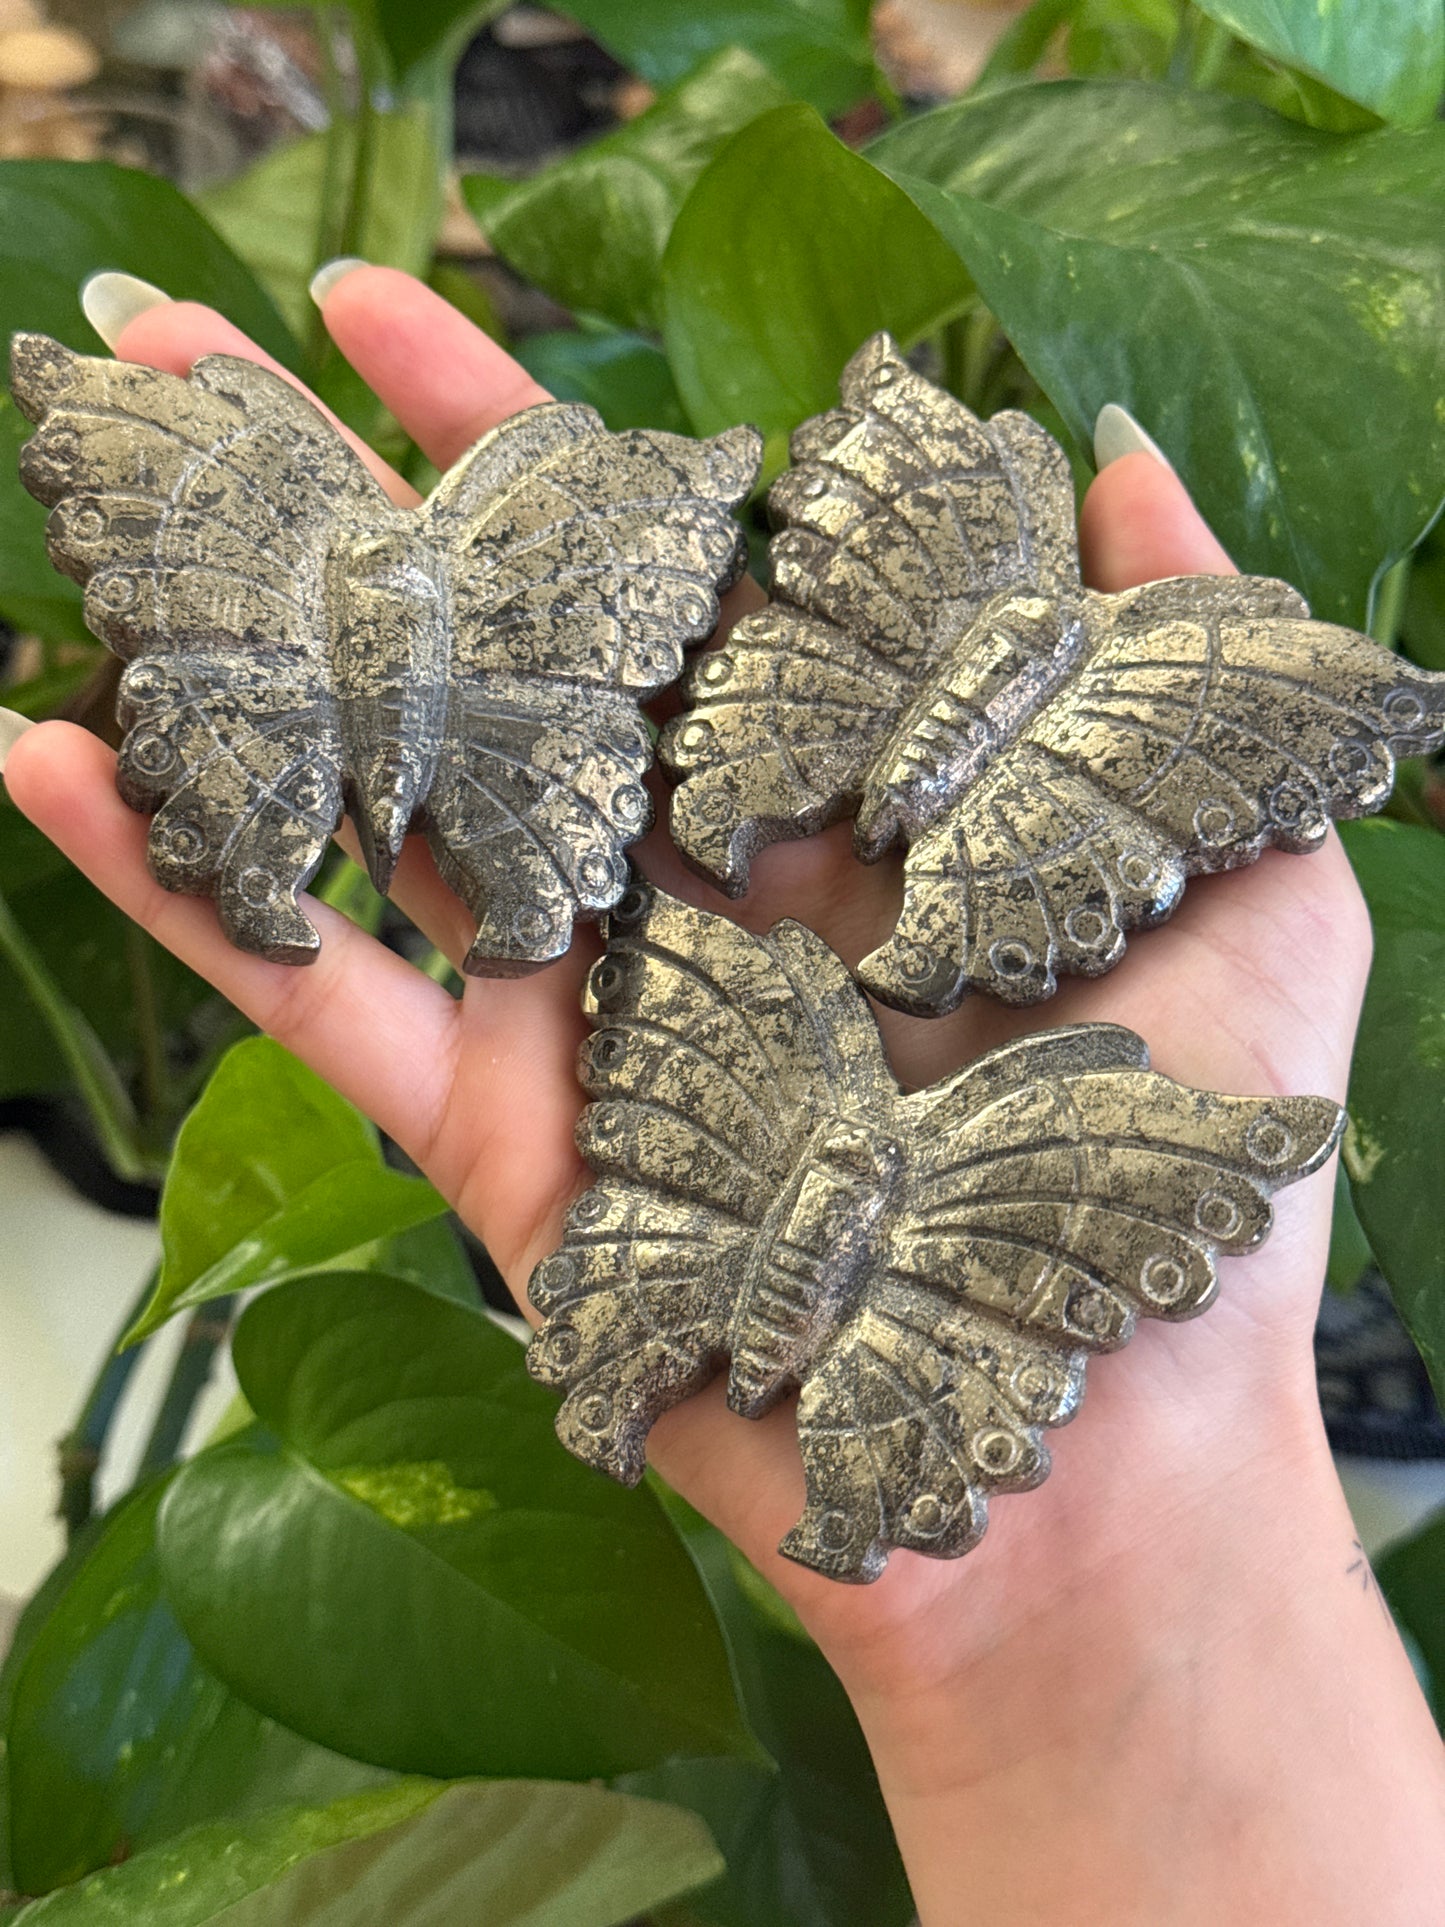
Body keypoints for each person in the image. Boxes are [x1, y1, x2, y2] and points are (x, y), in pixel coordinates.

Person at [3, 265, 1443, 1923]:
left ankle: (666, 1335)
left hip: (748, 815)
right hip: (682, 818)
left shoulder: (747, 983)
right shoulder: (967, 1068)